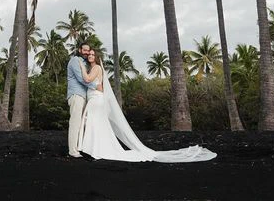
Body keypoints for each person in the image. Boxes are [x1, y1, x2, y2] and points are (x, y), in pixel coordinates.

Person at [76, 50, 217, 163]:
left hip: (96, 99)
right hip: (94, 98)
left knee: (94, 123)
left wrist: (81, 67)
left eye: (93, 55)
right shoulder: (93, 68)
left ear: (97, 57)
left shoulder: (96, 68)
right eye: (90, 54)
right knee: (97, 124)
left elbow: (87, 79)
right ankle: (94, 148)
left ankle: (94, 149)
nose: (91, 56)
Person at [66, 42, 97, 158]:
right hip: (76, 95)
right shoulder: (75, 61)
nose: (87, 52)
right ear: (80, 50)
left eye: (88, 51)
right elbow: (81, 79)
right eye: (84, 50)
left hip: (84, 96)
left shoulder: (85, 63)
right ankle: (72, 151)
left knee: (82, 124)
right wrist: (96, 87)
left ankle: (79, 147)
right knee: (75, 123)